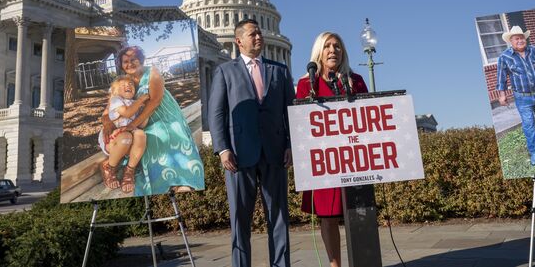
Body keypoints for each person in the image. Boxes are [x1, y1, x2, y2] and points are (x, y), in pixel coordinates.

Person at [208, 19, 294, 267]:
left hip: (275, 152)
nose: (259, 37)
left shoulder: (280, 70)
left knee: (279, 218)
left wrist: (289, 144)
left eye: (260, 33)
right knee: (239, 220)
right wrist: (222, 148)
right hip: (238, 154)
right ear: (239, 41)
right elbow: (217, 113)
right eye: (252, 34)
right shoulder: (225, 71)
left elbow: (290, 111)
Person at [296, 32, 368, 267]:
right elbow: (300, 123)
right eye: (327, 46)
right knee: (328, 216)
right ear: (319, 51)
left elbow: (368, 114)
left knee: (358, 214)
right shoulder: (307, 84)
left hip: (353, 158)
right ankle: (334, 264)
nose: (332, 50)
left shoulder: (354, 80)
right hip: (324, 161)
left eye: (337, 46)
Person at [101, 46, 204, 196]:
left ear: (141, 60)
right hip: (140, 121)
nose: (129, 64)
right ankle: (164, 179)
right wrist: (107, 124)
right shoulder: (123, 82)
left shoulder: (152, 72)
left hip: (163, 112)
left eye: (133, 59)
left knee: (170, 134)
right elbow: (108, 109)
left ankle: (182, 179)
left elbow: (155, 101)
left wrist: (131, 125)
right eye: (125, 61)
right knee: (148, 139)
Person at [496, 26, 535, 166]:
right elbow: (501, 78)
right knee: (529, 125)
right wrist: (501, 95)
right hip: (522, 98)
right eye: (516, 38)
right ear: (511, 41)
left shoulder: (533, 50)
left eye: (522, 38)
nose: (520, 40)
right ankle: (534, 151)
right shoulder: (504, 57)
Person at [98, 75, 149, 193]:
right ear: (115, 91)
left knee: (141, 134)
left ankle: (129, 170)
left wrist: (145, 110)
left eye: (131, 84)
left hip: (128, 142)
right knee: (126, 136)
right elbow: (126, 113)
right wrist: (140, 101)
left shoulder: (134, 103)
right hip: (113, 141)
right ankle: (108, 167)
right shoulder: (116, 100)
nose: (128, 85)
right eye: (123, 85)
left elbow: (141, 125)